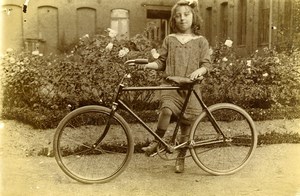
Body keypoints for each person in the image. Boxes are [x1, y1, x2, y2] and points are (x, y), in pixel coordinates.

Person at [140, 0, 212, 173]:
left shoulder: (201, 41)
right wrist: (150, 65)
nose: (182, 18)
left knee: (187, 124)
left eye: (186, 14)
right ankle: (157, 141)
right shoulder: (170, 40)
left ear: (194, 17)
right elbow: (161, 62)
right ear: (173, 20)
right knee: (166, 109)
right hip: (171, 85)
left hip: (191, 88)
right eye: (178, 15)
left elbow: (207, 65)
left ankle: (181, 158)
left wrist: (199, 72)